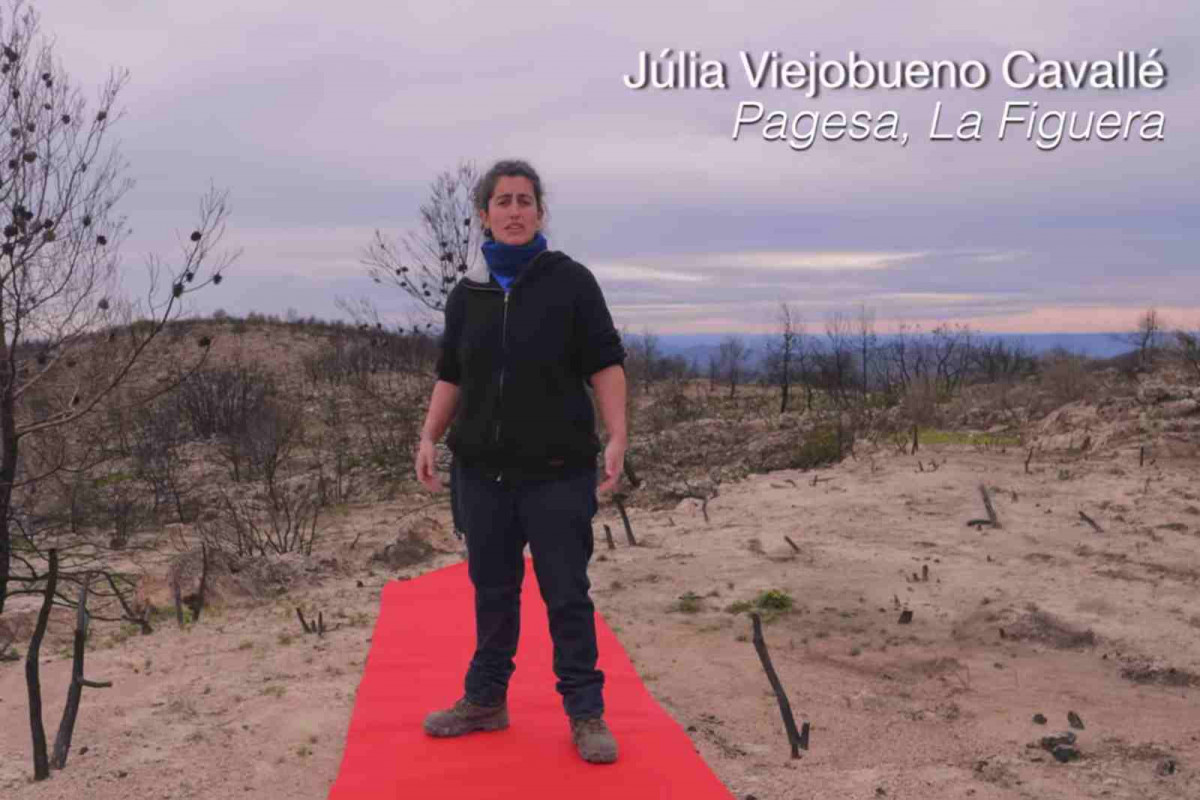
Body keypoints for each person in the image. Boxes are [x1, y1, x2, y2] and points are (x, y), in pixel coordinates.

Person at [413, 159, 628, 765]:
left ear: (540, 212)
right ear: (484, 215)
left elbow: (605, 363)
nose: (514, 211)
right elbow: (452, 374)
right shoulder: (468, 294)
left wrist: (617, 434)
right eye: (503, 201)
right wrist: (429, 436)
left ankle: (585, 711)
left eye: (524, 200)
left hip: (557, 469)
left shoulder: (572, 283)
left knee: (567, 594)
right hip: (482, 472)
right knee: (492, 592)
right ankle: (485, 701)